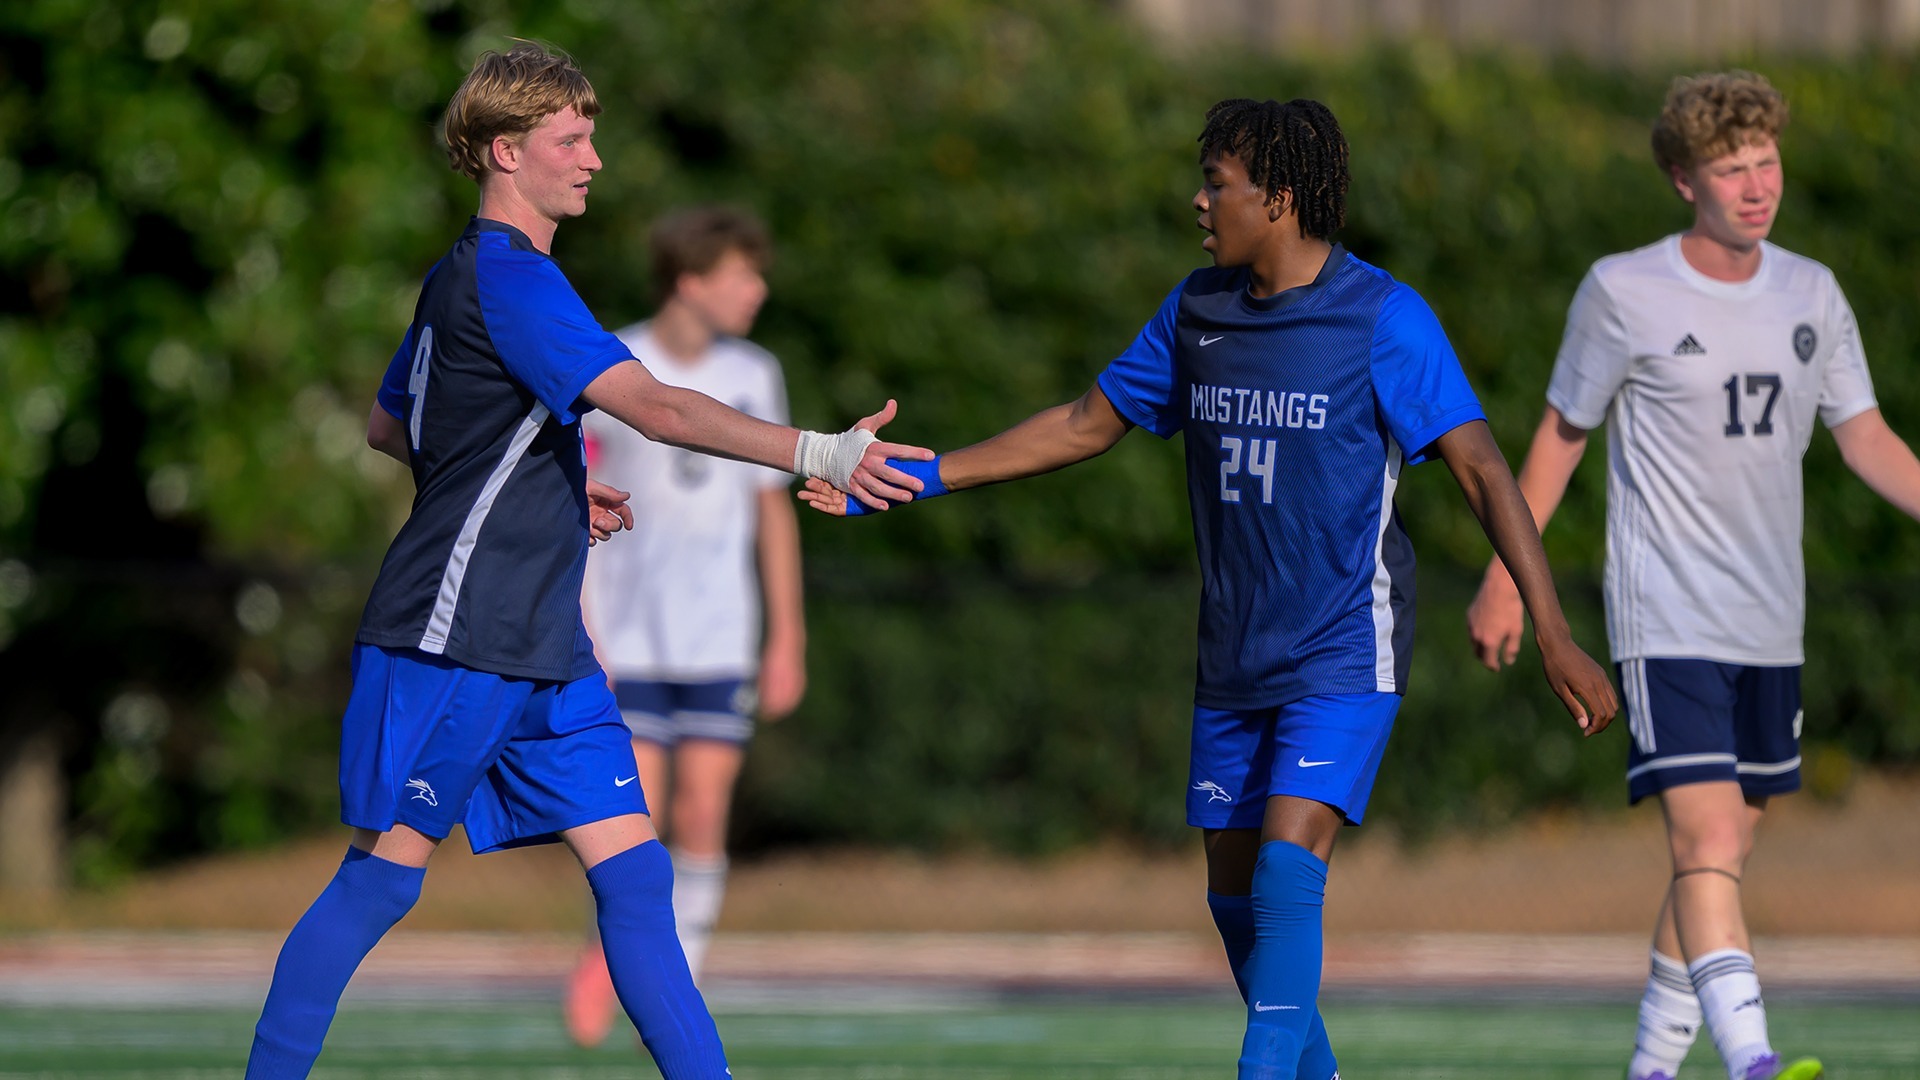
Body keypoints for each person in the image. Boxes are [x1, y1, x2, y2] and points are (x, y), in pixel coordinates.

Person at [801, 97, 1620, 1080]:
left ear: (1275, 199)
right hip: (1232, 657)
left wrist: (1555, 627)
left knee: (1284, 874)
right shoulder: (1197, 312)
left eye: (1217, 185)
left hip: (1344, 650)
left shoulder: (1383, 318)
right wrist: (922, 476)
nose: (1199, 202)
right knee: (1235, 904)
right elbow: (1082, 423)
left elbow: (1485, 471)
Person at [244, 42, 928, 1079]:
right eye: (572, 138)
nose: (595, 158)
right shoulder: (513, 281)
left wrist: (546, 484)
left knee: (638, 879)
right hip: (455, 632)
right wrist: (819, 450)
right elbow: (654, 408)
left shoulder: (463, 277)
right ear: (506, 153)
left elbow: (397, 425)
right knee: (381, 881)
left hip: (544, 642)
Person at [1465, 71, 1920, 1080]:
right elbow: (1559, 436)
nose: (1757, 186)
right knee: (1707, 834)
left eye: (1766, 163)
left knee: (1717, 859)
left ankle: (1651, 1070)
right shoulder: (1623, 290)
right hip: (1665, 611)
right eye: (1730, 169)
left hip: (1771, 620)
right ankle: (1755, 1061)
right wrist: (1509, 575)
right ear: (1683, 181)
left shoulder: (1812, 291)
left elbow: (1868, 439)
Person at [561, 206, 806, 1047]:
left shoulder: (755, 373)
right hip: (624, 636)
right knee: (638, 821)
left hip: (719, 636)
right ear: (691, 281)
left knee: (704, 811)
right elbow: (574, 497)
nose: (758, 289)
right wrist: (578, 621)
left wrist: (787, 637)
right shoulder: (613, 361)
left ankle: (680, 976)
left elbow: (772, 516)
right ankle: (623, 959)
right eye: (743, 274)